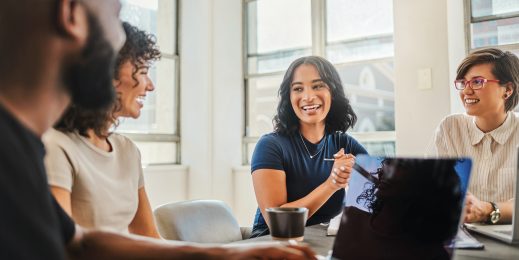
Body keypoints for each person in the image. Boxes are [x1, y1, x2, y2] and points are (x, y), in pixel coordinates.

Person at [0, 0, 315, 259]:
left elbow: (78, 241)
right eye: (115, 12)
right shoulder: (35, 150)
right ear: (72, 13)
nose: (119, 39)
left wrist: (229, 254)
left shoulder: (22, 149)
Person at [44, 21, 160, 238]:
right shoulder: (56, 147)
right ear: (108, 73)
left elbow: (150, 236)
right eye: (143, 71)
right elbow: (66, 247)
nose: (150, 85)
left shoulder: (128, 150)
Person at [251, 56, 367, 238]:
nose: (308, 97)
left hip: (322, 239)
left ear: (333, 92)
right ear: (289, 98)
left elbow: (383, 190)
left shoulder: (344, 143)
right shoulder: (270, 146)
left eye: (318, 86)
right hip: (274, 243)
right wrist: (332, 184)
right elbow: (278, 222)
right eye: (298, 88)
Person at [432, 48, 519, 224]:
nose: (467, 91)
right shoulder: (450, 128)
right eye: (463, 83)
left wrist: (487, 210)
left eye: (478, 82)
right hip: (461, 234)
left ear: (508, 90)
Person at [332, 158, 462, 260]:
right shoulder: (350, 218)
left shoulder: (432, 254)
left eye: (402, 166)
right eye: (389, 162)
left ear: (426, 184)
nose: (387, 170)